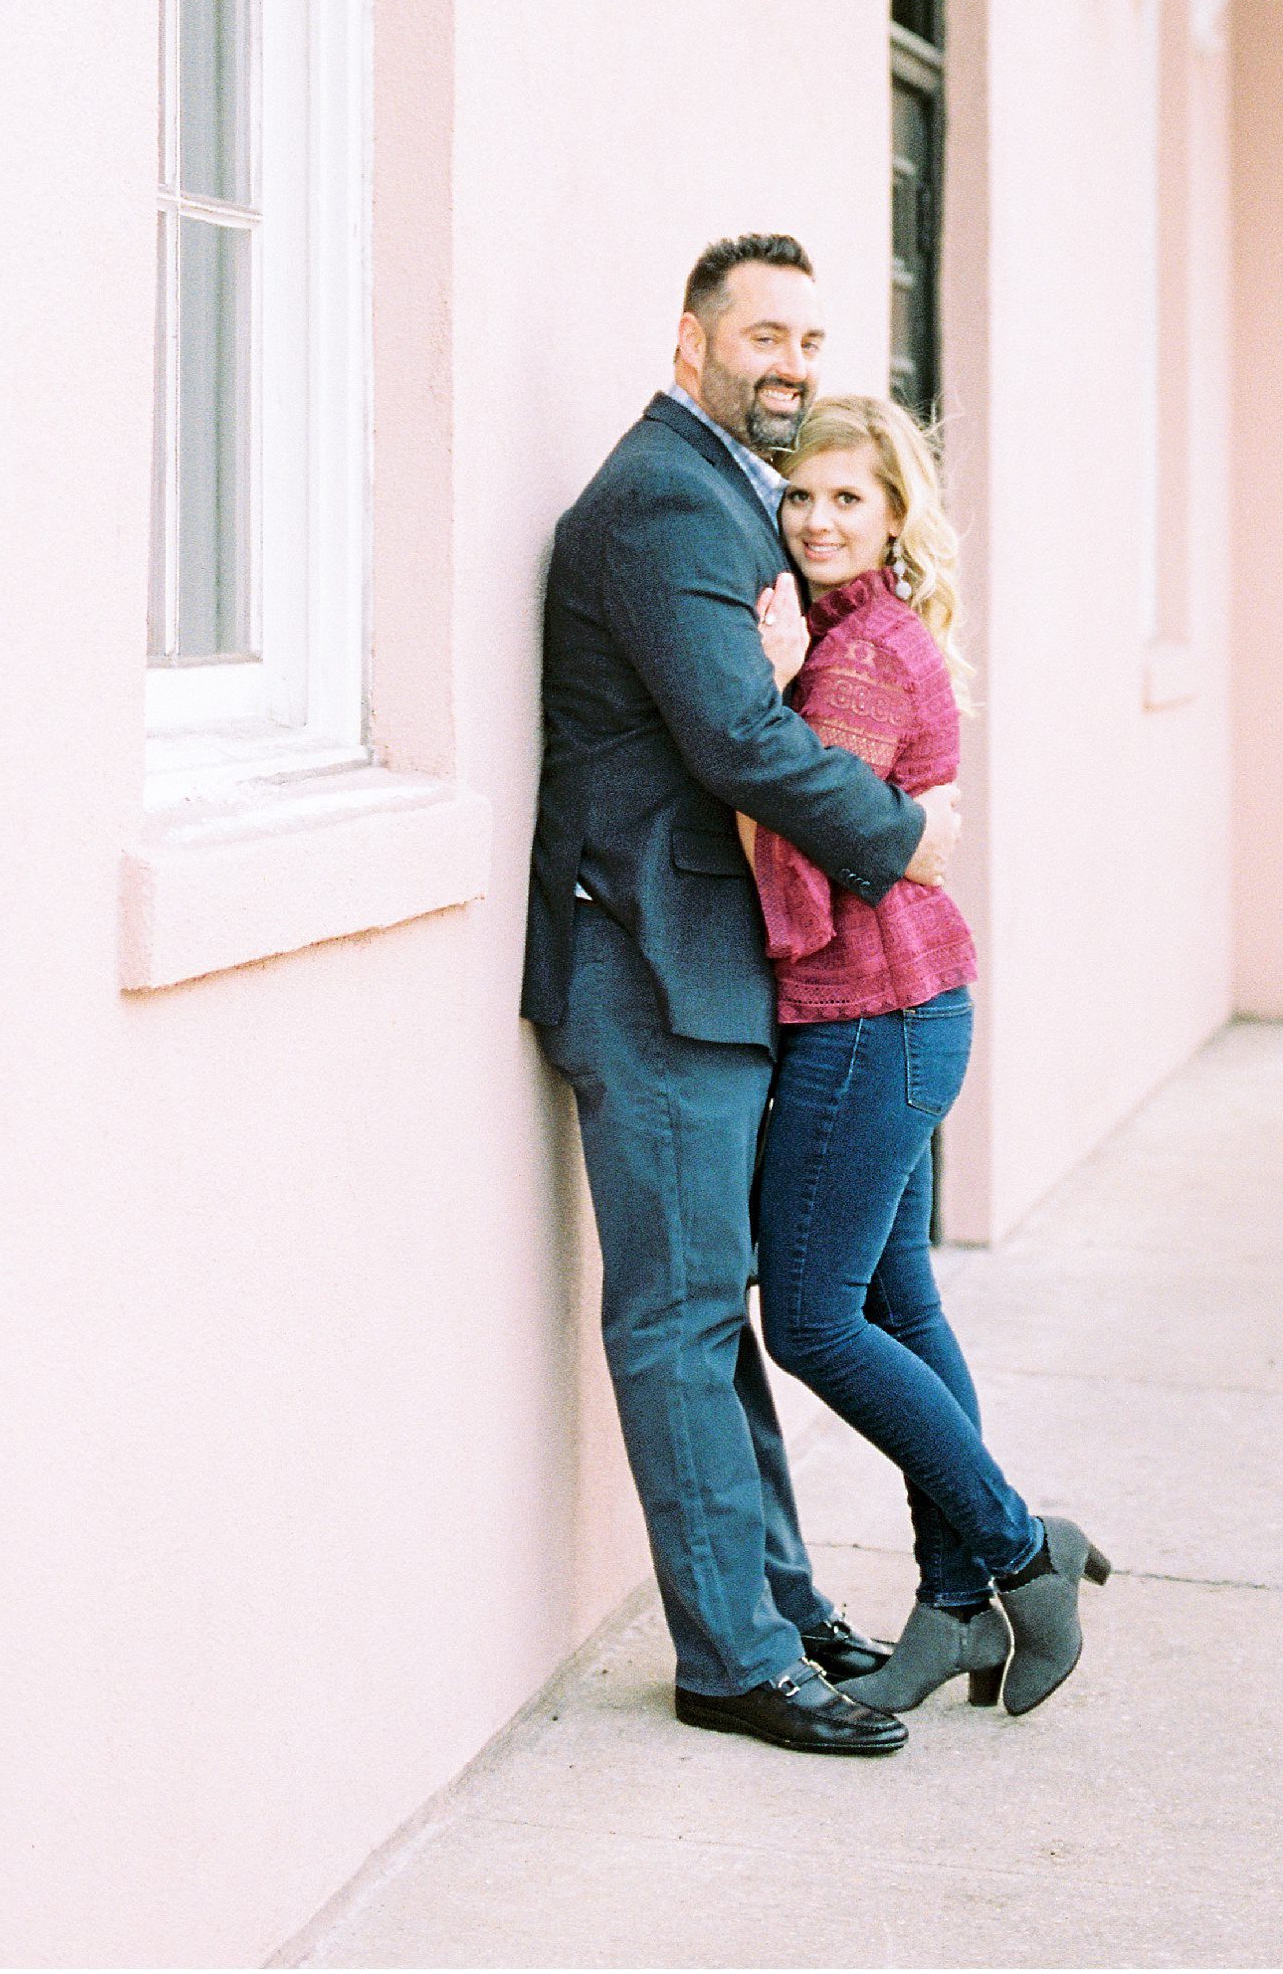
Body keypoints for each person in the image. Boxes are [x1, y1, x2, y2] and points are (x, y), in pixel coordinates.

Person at [523, 236, 963, 1758]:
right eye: (764, 335)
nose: (791, 363)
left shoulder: (731, 490)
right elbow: (735, 740)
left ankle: (777, 1611)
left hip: (706, 969)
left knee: (718, 1313)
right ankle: (731, 1659)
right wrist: (902, 836)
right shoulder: (664, 499)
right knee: (680, 1316)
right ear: (690, 343)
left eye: (811, 340)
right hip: (650, 965)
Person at [739, 394, 1111, 1717]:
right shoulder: (861, 636)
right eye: (801, 495)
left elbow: (801, 858)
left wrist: (762, 704)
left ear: (896, 512)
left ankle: (1021, 1550)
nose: (819, 519)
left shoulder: (852, 662)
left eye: (849, 497)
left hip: (871, 1019)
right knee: (898, 1307)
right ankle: (958, 1605)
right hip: (906, 1014)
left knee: (811, 1318)